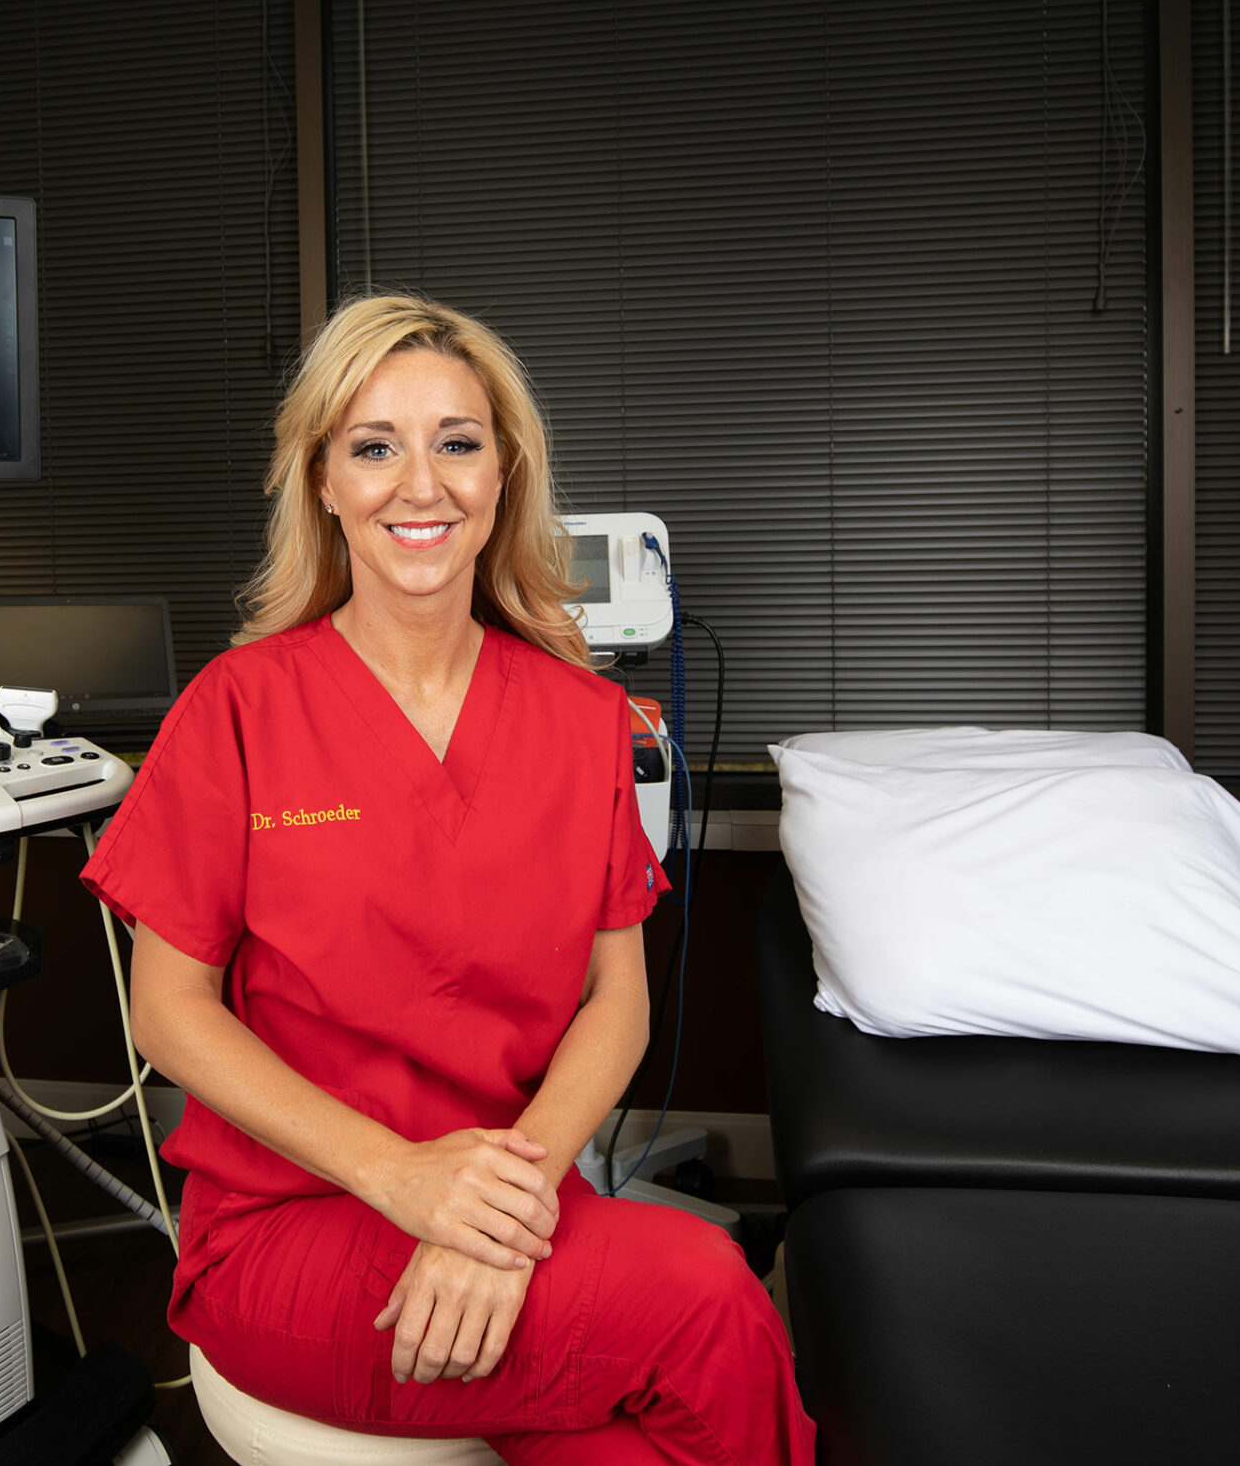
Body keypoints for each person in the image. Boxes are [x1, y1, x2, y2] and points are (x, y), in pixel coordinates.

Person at [81, 293, 815, 1464]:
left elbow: (614, 1002)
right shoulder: (240, 711)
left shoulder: (583, 721)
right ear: (323, 482)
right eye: (375, 446)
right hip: (293, 1226)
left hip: (510, 1210)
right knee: (709, 1299)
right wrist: (399, 1178)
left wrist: (496, 1217)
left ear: (504, 476)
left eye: (457, 443)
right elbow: (166, 1010)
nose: (420, 485)